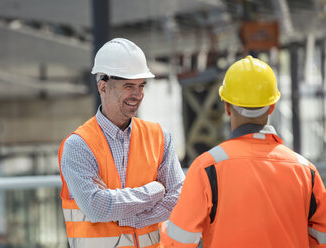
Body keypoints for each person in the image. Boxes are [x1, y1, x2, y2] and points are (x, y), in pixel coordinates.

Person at [164, 55, 326, 248]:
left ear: (227, 107)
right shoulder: (306, 171)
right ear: (272, 106)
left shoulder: (207, 167)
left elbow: (177, 242)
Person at [58, 38, 185, 248]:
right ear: (102, 87)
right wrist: (155, 190)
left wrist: (128, 218)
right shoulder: (78, 146)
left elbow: (178, 199)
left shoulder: (160, 137)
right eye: (129, 86)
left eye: (141, 86)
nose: (137, 95)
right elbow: (96, 207)